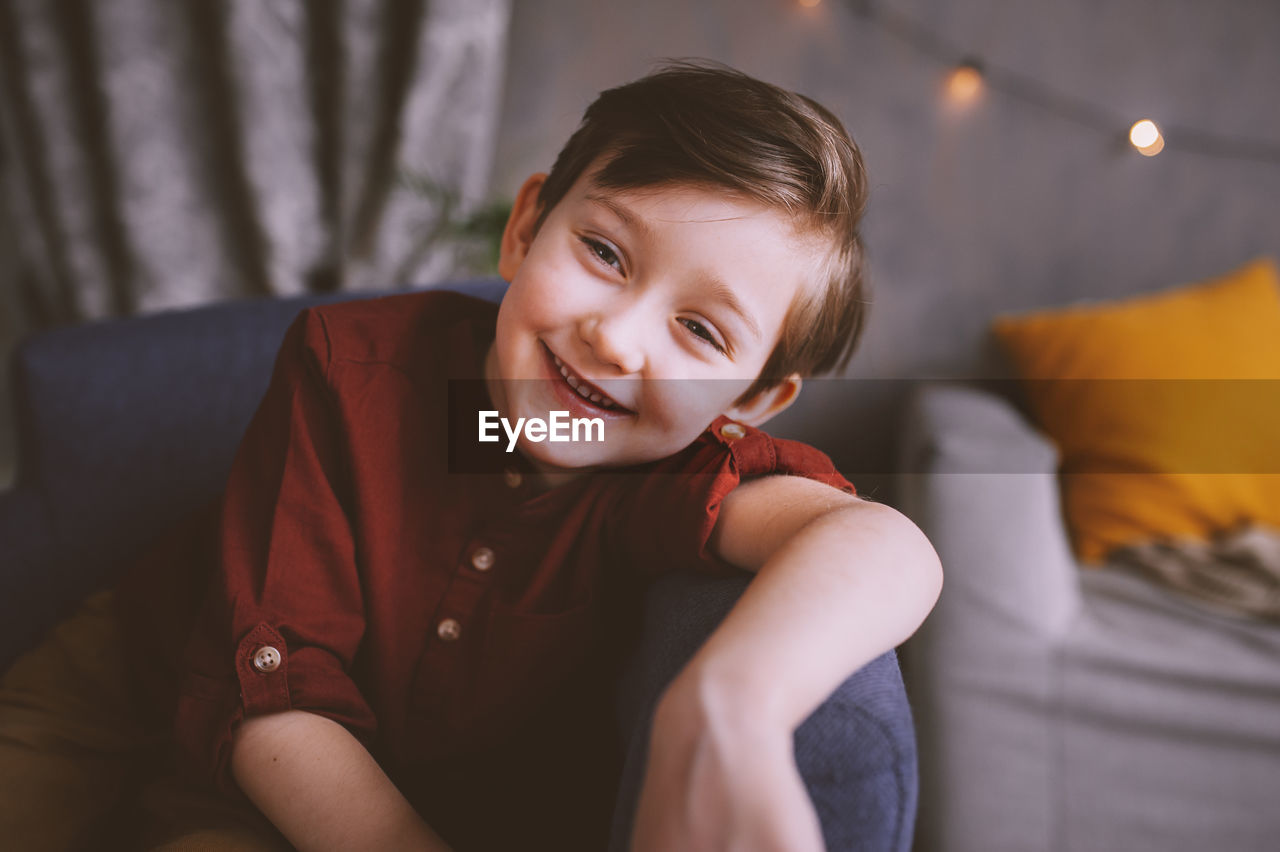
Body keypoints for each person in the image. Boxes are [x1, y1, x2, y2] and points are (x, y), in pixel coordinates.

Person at [1, 61, 941, 850]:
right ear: (526, 228)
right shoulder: (356, 374)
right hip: (141, 667)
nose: (617, 340)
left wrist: (731, 705)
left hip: (267, 796)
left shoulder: (664, 467)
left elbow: (885, 547)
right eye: (607, 255)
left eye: (699, 330)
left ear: (751, 398)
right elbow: (274, 701)